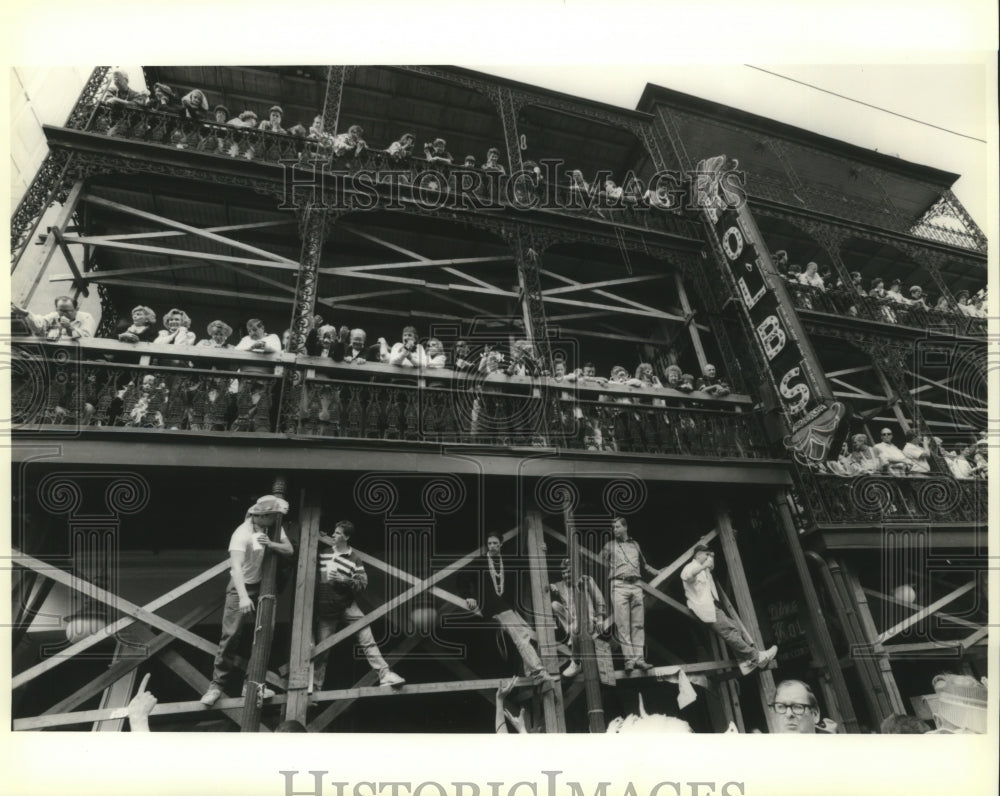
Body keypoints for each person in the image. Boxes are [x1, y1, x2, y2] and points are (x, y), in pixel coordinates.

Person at [201, 495, 294, 706]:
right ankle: (216, 686)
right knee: (231, 634)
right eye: (273, 516)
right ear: (262, 517)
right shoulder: (241, 533)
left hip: (263, 585)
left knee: (265, 634)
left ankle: (251, 684)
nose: (276, 519)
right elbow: (236, 568)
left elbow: (289, 550)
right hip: (241, 586)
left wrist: (271, 543)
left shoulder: (274, 527)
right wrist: (243, 597)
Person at [312, 520, 406, 690]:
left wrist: (345, 580)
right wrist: (317, 534)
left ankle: (385, 675)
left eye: (338, 533)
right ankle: (314, 688)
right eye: (334, 532)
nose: (334, 535)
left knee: (367, 639)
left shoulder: (354, 559)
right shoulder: (323, 553)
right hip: (326, 609)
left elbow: (362, 584)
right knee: (322, 651)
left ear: (346, 537)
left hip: (348, 605)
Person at [461, 532, 555, 686]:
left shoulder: (507, 560)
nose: (492, 546)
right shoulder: (480, 561)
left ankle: (531, 673)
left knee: (527, 632)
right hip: (492, 605)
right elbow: (463, 577)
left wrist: (542, 551)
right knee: (522, 637)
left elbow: (528, 563)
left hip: (507, 607)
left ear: (501, 544)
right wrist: (468, 596)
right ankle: (538, 671)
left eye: (495, 543)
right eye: (489, 543)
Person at [681, 544, 777, 676]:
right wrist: (704, 565)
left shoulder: (705, 570)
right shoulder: (691, 567)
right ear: (697, 555)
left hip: (713, 606)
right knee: (729, 631)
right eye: (706, 554)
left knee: (735, 627)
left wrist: (709, 560)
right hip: (703, 608)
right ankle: (756, 658)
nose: (709, 557)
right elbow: (686, 576)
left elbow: (711, 568)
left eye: (710, 555)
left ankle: (746, 663)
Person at [600, 517, 661, 671]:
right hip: (619, 585)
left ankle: (639, 659)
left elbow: (644, 565)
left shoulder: (635, 544)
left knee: (638, 625)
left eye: (617, 527)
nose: (614, 530)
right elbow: (596, 560)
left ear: (625, 528)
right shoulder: (609, 546)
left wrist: (658, 572)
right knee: (623, 625)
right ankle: (629, 660)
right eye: (613, 528)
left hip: (636, 585)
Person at [549, 558, 606, 678]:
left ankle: (576, 662)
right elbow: (544, 586)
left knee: (577, 628)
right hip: (571, 620)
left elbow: (599, 599)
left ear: (574, 571)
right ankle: (570, 631)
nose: (566, 575)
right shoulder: (560, 585)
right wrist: (550, 586)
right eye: (563, 573)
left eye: (568, 572)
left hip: (588, 619)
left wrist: (600, 618)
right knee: (554, 605)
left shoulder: (586, 580)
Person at [12, 295, 96, 340]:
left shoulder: (86, 317)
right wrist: (26, 314)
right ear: (56, 309)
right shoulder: (54, 315)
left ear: (76, 309)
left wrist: (69, 327)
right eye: (61, 310)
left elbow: (86, 338)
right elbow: (40, 324)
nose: (63, 314)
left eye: (67, 311)